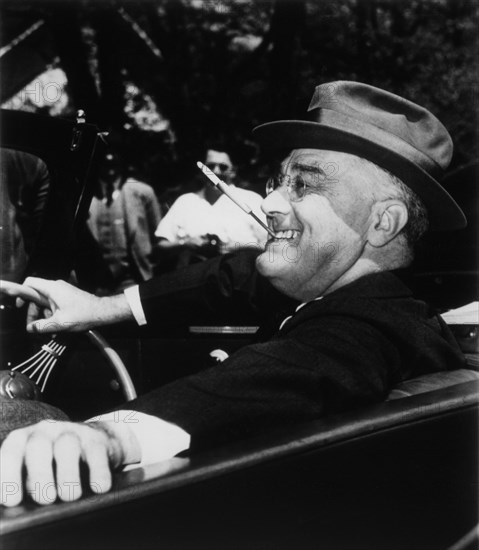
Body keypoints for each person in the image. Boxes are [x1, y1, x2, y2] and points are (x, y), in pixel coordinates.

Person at [0, 81, 467, 507]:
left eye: (303, 184)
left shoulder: (375, 329)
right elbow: (236, 275)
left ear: (383, 223)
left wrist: (106, 437)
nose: (270, 202)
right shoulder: (335, 286)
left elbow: (299, 371)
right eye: (278, 182)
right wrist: (101, 307)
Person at [155, 148, 267, 254]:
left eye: (223, 167)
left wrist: (238, 246)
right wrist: (185, 243)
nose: (215, 172)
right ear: (201, 172)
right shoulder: (185, 201)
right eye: (210, 166)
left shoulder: (251, 199)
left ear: (233, 171)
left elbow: (272, 245)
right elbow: (161, 244)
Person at [87, 150, 162, 293]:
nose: (110, 171)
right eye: (105, 165)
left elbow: (157, 237)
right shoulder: (86, 197)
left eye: (113, 164)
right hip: (97, 285)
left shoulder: (143, 193)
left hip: (133, 281)